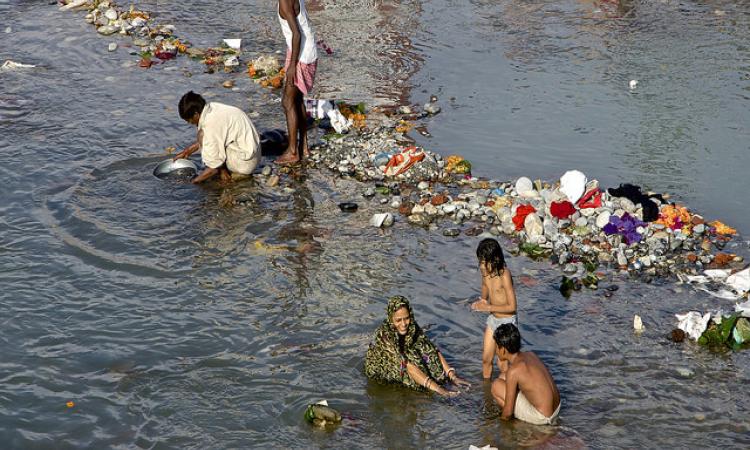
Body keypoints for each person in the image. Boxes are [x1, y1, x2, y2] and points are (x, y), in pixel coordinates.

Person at [364, 296, 470, 397]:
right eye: (398, 320)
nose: (404, 324)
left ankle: (436, 382)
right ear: (391, 319)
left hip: (405, 357)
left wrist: (452, 376)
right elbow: (406, 365)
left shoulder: (412, 327)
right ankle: (429, 387)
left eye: (406, 318)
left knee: (424, 349)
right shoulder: (385, 336)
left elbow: (432, 349)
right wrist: (441, 391)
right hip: (388, 366)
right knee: (413, 366)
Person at [174, 91, 261, 184]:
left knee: (203, 139)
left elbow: (213, 168)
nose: (190, 123)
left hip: (245, 163)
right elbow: (214, 137)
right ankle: (223, 169)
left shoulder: (210, 125)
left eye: (189, 120)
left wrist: (194, 181)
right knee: (204, 137)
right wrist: (187, 152)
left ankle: (226, 173)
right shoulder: (213, 108)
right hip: (251, 152)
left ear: (196, 114)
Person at [275, 0, 318, 165]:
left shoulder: (284, 2)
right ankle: (303, 146)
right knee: (297, 100)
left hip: (301, 56)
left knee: (287, 102)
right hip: (302, 52)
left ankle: (293, 151)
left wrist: (292, 66)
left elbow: (297, 35)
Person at [491, 324, 560, 425]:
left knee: (496, 385)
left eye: (497, 347)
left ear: (503, 350)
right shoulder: (530, 354)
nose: (496, 351)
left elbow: (508, 412)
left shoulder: (514, 371)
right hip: (556, 408)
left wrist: (502, 425)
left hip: (543, 418)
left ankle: (520, 424)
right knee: (502, 376)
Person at [471, 238, 518, 379]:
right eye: (480, 261)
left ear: (496, 259)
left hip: (507, 322)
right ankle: (486, 393)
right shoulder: (485, 272)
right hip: (493, 320)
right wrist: (483, 300)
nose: (482, 266)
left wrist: (488, 307)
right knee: (486, 359)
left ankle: (504, 390)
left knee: (502, 362)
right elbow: (485, 286)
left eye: (485, 262)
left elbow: (512, 306)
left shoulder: (504, 275)